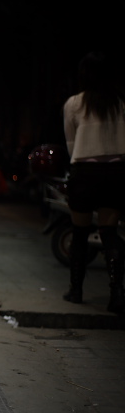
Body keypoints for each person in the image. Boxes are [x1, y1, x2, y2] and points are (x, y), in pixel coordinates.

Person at [62, 51, 125, 314]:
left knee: (80, 232)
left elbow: (71, 143)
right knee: (110, 233)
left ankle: (76, 290)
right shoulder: (120, 104)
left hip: (85, 172)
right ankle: (116, 294)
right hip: (116, 173)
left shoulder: (75, 104)